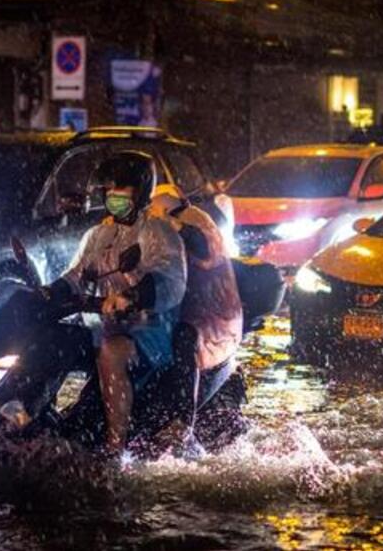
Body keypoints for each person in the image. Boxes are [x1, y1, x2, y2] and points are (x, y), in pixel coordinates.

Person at [43, 151, 187, 453]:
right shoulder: (97, 234)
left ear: (140, 190)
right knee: (53, 341)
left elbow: (169, 277)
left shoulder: (156, 231)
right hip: (101, 324)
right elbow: (76, 274)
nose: (112, 196)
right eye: (108, 190)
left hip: (146, 331)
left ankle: (114, 445)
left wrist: (133, 296)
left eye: (119, 189)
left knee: (112, 351)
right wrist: (50, 293)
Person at [149, 184, 243, 444]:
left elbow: (203, 248)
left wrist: (170, 222)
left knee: (184, 338)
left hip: (211, 319)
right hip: (164, 310)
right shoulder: (142, 226)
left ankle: (181, 423)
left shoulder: (197, 221)